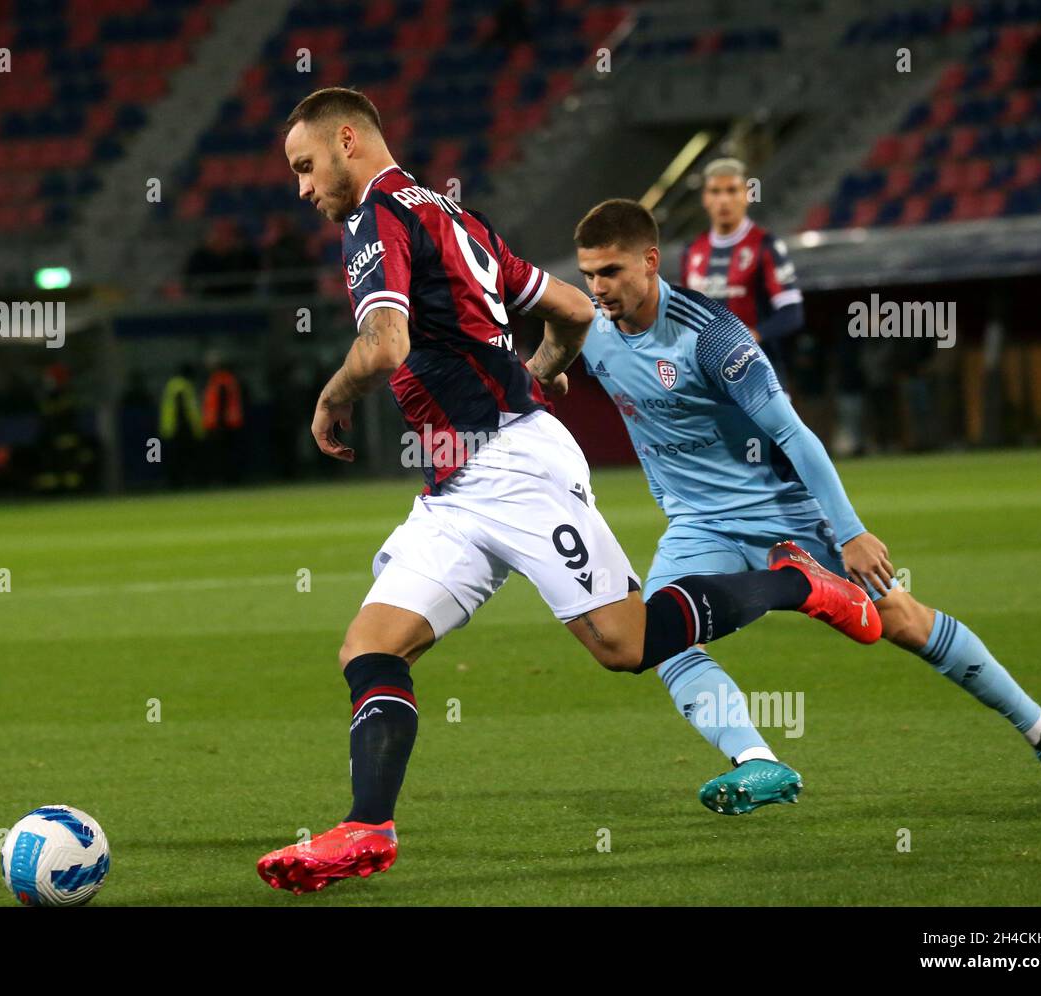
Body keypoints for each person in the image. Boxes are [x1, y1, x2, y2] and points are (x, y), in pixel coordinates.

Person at [255, 88, 881, 894]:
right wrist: (539, 374)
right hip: (455, 484)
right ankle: (366, 829)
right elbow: (575, 308)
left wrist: (333, 394)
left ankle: (799, 582)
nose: (303, 188)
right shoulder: (455, 216)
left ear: (349, 140)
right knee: (370, 646)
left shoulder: (377, 216)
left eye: (306, 166)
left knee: (625, 644)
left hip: (515, 468)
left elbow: (384, 344)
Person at [573, 198, 1041, 813]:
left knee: (902, 621)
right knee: (656, 639)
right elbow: (558, 365)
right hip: (697, 523)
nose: (598, 287)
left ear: (650, 261)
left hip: (783, 513)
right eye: (588, 274)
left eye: (610, 271)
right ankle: (758, 762)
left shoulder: (712, 336)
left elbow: (795, 434)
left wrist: (849, 531)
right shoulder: (589, 330)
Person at [681, 158, 802, 382]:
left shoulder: (765, 245)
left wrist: (750, 336)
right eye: (715, 192)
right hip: (709, 381)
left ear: (747, 194)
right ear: (705, 199)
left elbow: (792, 313)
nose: (724, 200)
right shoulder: (692, 251)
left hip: (761, 378)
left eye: (732, 190)